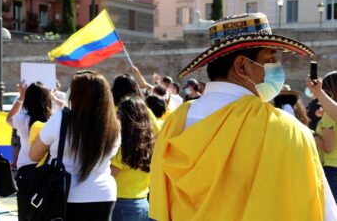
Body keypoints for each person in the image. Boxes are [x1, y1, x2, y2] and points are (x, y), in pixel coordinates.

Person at [149, 12, 337, 220]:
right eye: (270, 59)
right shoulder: (289, 131)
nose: (276, 66)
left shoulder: (174, 123)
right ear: (242, 66)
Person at [30, 70, 121, 221]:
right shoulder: (114, 125)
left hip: (66, 193)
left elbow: (34, 155)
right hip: (104, 193)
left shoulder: (60, 119)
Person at [111, 95, 155, 221]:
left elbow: (110, 177)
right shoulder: (150, 144)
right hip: (143, 203)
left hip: (121, 205)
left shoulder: (123, 147)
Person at [6, 81, 52, 171]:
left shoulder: (22, 119)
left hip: (25, 166)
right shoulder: (53, 119)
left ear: (28, 100)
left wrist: (21, 97)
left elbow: (8, 119)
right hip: (47, 166)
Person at [310, 71, 337, 202]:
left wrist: (312, 135)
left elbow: (328, 147)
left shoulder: (328, 117)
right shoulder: (328, 115)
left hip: (332, 170)